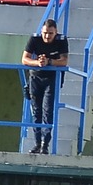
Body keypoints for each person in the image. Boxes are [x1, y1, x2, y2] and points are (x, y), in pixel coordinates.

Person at [21, 17, 67, 155]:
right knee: (36, 111)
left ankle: (45, 144)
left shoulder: (61, 40)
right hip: (35, 77)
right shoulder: (35, 39)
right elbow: (24, 59)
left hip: (52, 79)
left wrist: (49, 62)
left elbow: (64, 60)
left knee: (47, 110)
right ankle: (36, 144)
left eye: (50, 33)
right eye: (45, 33)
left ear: (56, 32)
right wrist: (38, 63)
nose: (47, 36)